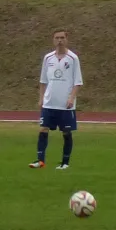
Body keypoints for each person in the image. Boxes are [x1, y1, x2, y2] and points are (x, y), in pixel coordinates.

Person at [29, 29, 83, 170]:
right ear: (53, 40)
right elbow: (43, 81)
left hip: (65, 104)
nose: (59, 40)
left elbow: (78, 82)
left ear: (66, 39)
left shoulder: (73, 59)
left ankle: (65, 163)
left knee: (66, 132)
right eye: (57, 38)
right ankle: (40, 161)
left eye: (62, 38)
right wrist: (41, 98)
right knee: (43, 129)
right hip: (49, 103)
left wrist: (72, 98)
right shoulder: (48, 58)